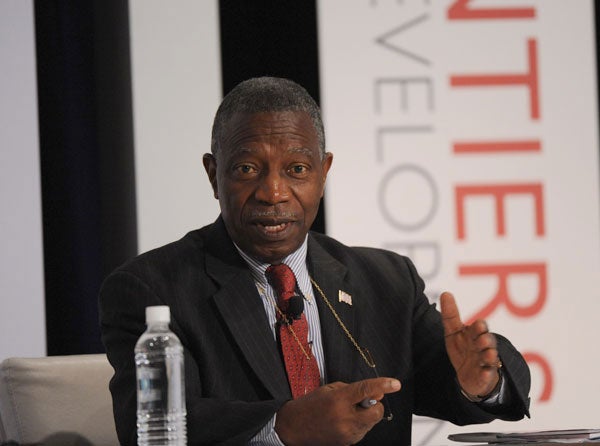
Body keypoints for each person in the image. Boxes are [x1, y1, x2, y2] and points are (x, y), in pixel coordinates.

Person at [99, 76, 530, 446]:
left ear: (323, 173)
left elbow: (454, 383)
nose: (273, 192)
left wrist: (482, 383)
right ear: (214, 174)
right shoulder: (153, 288)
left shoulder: (386, 281)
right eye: (248, 169)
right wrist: (283, 426)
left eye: (297, 169)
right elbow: (149, 428)